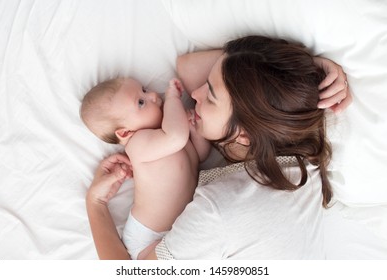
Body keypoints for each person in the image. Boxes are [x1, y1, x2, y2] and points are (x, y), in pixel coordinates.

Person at [85, 35, 352, 259]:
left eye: (210, 96)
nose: (195, 94)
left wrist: (95, 203)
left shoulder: (219, 211)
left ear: (244, 134)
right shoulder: (296, 143)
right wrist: (302, 73)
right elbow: (187, 67)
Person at [81, 78, 211, 259]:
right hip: (147, 238)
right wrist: (173, 98)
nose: (153, 96)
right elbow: (176, 137)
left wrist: (196, 133)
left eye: (145, 89)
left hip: (171, 231)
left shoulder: (167, 130)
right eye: (141, 102)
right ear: (125, 133)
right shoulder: (138, 144)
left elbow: (199, 156)